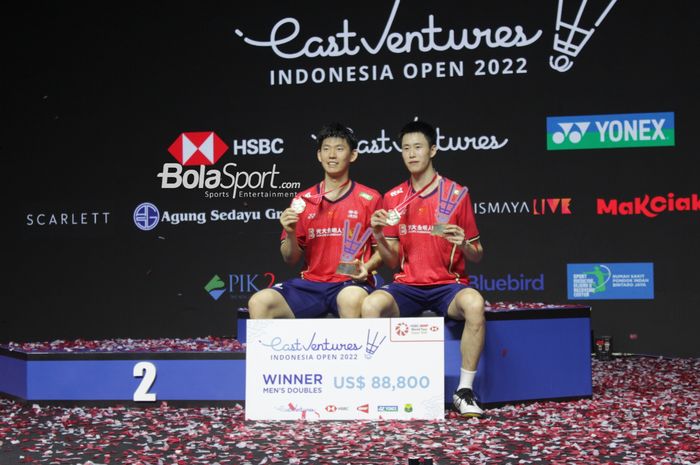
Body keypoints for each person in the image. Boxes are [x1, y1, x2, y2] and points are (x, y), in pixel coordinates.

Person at [361, 120, 486, 417]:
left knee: (475, 304)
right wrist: (378, 234)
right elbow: (391, 262)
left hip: (447, 286)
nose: (412, 154)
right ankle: (385, 381)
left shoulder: (456, 194)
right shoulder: (392, 199)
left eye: (418, 147)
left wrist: (465, 243)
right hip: (407, 287)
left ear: (433, 150)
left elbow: (478, 254)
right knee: (370, 305)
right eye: (406, 148)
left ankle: (464, 391)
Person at [248, 123, 382, 319]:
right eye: (326, 149)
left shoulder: (370, 198)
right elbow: (290, 258)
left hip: (350, 283)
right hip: (310, 286)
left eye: (339, 149)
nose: (332, 155)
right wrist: (291, 232)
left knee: (350, 298)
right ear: (319, 155)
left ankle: (352, 350)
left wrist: (367, 268)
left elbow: (384, 251)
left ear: (352, 155)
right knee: (260, 302)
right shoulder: (302, 200)